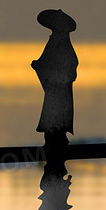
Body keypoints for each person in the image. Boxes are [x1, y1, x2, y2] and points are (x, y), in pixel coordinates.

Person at [32, 9, 78, 148]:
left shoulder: (60, 42)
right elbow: (47, 61)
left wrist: (41, 65)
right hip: (57, 87)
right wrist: (40, 64)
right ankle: (55, 138)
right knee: (54, 120)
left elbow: (68, 65)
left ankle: (57, 139)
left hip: (59, 87)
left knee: (56, 120)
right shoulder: (57, 41)